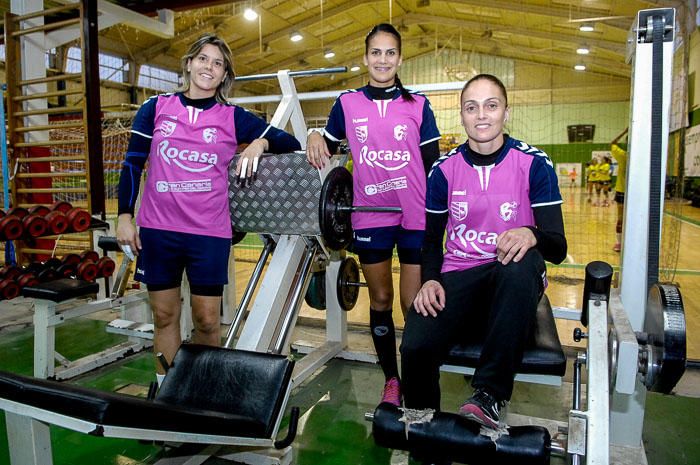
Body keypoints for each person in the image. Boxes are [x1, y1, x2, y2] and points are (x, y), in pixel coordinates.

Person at [116, 34, 301, 385]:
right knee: (165, 316)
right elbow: (132, 163)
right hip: (159, 230)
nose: (209, 67)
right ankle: (168, 391)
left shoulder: (233, 117)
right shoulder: (155, 108)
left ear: (224, 75)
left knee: (207, 321)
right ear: (189, 63)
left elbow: (288, 142)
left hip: (207, 234)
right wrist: (124, 215)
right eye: (203, 59)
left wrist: (259, 142)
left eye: (218, 63)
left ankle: (200, 392)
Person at [400, 74, 567, 430]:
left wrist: (531, 232)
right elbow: (430, 241)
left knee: (521, 260)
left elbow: (558, 246)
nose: (481, 115)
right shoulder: (443, 171)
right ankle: (420, 423)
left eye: (491, 106)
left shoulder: (534, 164)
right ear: (461, 115)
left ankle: (489, 394)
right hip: (460, 274)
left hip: (513, 279)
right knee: (415, 343)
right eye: (471, 107)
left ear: (506, 112)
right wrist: (429, 280)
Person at [306, 23, 441, 407]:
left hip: (414, 216)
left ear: (400, 58)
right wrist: (315, 134)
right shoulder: (347, 103)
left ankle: (416, 378)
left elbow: (432, 166)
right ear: (365, 58)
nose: (383, 60)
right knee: (380, 299)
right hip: (369, 215)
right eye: (376, 53)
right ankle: (392, 381)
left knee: (413, 304)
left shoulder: (418, 105)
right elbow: (328, 145)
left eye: (390, 53)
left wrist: (439, 219)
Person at [611, 128, 628, 252]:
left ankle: (619, 243)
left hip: (622, 191)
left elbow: (612, 143)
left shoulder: (623, 155)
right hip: (635, 193)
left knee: (621, 219)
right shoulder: (641, 158)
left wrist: (625, 131)